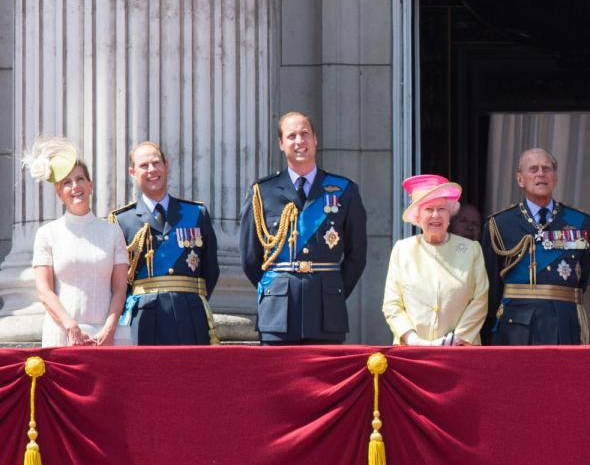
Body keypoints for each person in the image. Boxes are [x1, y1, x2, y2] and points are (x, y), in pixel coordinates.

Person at [239, 111, 367, 345]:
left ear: (315, 139)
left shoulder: (344, 190)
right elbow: (250, 259)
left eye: (305, 134)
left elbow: (356, 257)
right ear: (281, 144)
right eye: (291, 136)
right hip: (278, 312)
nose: (299, 141)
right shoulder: (262, 192)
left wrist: (331, 292)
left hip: (326, 311)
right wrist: (275, 291)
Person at [109, 142, 220, 345]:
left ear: (166, 166)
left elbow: (210, 270)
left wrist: (191, 302)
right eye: (144, 166)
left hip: (190, 313)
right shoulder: (122, 221)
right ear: (132, 172)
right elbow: (117, 281)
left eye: (156, 163)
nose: (152, 170)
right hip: (143, 316)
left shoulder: (196, 213)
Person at [26, 136, 131, 347]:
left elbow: (120, 289)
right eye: (67, 182)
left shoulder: (112, 232)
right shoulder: (48, 233)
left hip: (105, 335)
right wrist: (70, 325)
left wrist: (109, 328)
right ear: (59, 193)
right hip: (62, 333)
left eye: (80, 179)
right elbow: (44, 291)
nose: (75, 186)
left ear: (90, 185)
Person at [482, 148, 590, 345]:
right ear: (520, 179)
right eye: (533, 169)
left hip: (564, 321)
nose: (541, 174)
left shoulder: (580, 221)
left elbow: (581, 280)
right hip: (516, 325)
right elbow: (491, 286)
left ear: (555, 176)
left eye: (546, 169)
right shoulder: (500, 224)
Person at [383, 175, 488, 346]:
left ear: (450, 214)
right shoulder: (402, 250)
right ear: (417, 216)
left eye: (441, 209)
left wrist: (457, 339)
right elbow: (392, 304)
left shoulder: (471, 250)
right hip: (412, 352)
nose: (435, 215)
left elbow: (480, 299)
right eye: (428, 209)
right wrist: (414, 341)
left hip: (461, 350)